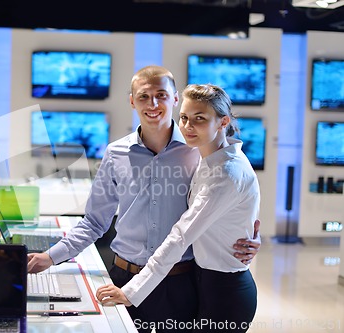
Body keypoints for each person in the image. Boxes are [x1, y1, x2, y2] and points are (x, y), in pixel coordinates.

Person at [28, 66, 261, 332]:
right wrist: (51, 256)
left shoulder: (199, 149)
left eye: (161, 95)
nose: (153, 104)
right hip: (122, 276)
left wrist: (247, 237)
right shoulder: (116, 153)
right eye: (143, 96)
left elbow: (231, 200)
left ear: (174, 99)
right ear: (131, 101)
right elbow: (94, 221)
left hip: (181, 283)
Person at [95, 83, 259, 333]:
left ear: (223, 122)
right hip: (202, 280)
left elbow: (181, 236)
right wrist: (252, 236)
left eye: (200, 119)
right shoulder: (207, 157)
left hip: (225, 293)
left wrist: (130, 292)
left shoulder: (226, 173)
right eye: (183, 117)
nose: (187, 126)